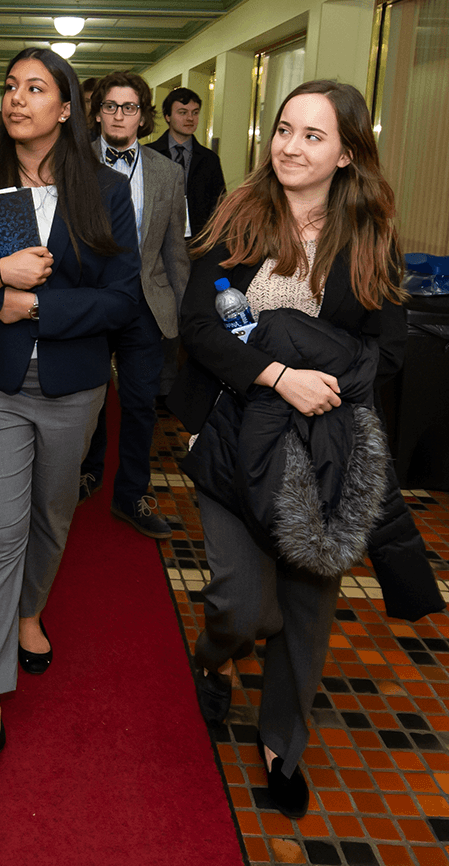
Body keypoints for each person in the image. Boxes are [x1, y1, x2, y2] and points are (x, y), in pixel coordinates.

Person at [168, 80, 413, 819]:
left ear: (345, 153)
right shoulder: (237, 218)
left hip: (320, 451)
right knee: (242, 606)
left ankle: (282, 744)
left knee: (305, 609)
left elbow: (389, 352)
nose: (290, 146)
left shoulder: (371, 234)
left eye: (312, 135)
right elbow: (201, 324)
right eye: (283, 129)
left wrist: (317, 379)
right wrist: (277, 372)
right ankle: (214, 661)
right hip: (228, 438)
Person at [0, 48, 140, 784]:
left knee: (50, 518)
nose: (17, 99)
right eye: (10, 87)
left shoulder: (104, 192)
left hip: (73, 386)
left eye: (35, 88)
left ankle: (30, 612)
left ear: (64, 109)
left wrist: (38, 305)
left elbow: (122, 299)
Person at [78, 72, 190, 537]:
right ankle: (88, 469)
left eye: (129, 107)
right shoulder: (73, 163)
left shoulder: (167, 171)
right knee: (89, 396)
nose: (120, 115)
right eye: (111, 106)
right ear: (98, 111)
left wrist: (185, 317)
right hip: (91, 300)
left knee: (141, 403)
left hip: (147, 302)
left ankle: (131, 494)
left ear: (143, 116)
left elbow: (174, 250)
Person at [148, 87, 225, 237]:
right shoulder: (149, 155)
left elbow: (219, 205)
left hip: (198, 243)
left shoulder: (210, 159)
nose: (190, 118)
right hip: (156, 241)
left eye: (195, 113)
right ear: (167, 116)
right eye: (182, 112)